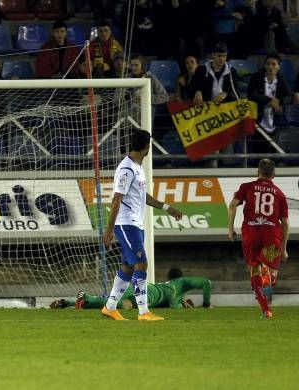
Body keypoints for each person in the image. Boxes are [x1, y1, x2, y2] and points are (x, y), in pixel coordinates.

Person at [101, 129, 183, 321]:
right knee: (141, 263)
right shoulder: (126, 169)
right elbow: (116, 200)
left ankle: (110, 307)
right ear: (147, 147)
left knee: (129, 266)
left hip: (136, 224)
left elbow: (141, 195)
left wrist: (166, 207)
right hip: (126, 223)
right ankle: (143, 312)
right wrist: (109, 229)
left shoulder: (137, 167)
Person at [227, 159, 289, 318]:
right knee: (271, 276)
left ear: (257, 172)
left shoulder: (246, 187)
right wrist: (284, 249)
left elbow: (233, 205)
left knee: (254, 270)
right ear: (274, 175)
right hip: (272, 235)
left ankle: (266, 310)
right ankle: (268, 275)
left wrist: (230, 229)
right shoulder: (280, 194)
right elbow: (285, 223)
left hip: (250, 234)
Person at [51, 268, 212, 310]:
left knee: (115, 304)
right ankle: (86, 298)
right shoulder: (177, 284)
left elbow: (170, 302)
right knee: (122, 305)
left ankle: (69, 302)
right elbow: (206, 283)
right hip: (147, 294)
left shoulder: (168, 286)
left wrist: (180, 303)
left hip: (138, 287)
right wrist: (205, 304)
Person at [247, 53, 291, 153]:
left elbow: (289, 96)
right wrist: (269, 100)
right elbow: (251, 96)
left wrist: (280, 102)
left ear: (278, 67)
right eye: (268, 64)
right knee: (259, 156)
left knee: (274, 157)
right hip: (258, 124)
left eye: (274, 64)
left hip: (275, 123)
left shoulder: (281, 79)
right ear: (264, 66)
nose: (270, 66)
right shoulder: (256, 77)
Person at [192, 42, 238, 107]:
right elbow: (192, 86)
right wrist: (198, 91)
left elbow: (235, 91)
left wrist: (225, 93)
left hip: (224, 106)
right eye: (219, 56)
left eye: (224, 56)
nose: (222, 59)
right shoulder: (201, 70)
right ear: (213, 55)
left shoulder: (231, 71)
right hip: (206, 106)